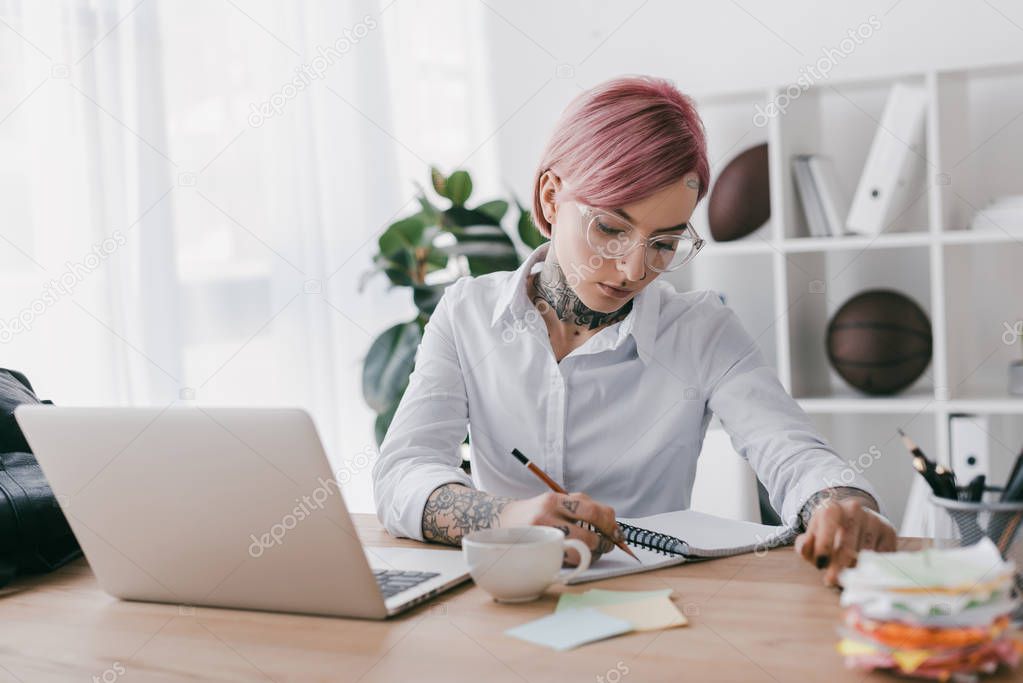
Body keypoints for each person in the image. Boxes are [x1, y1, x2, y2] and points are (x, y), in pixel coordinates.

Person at [373, 75, 896, 587]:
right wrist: (505, 518)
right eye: (610, 228)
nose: (632, 270)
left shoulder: (701, 330)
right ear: (551, 197)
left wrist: (841, 505)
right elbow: (404, 470)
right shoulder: (467, 313)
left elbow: (793, 453)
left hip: (653, 609)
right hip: (509, 600)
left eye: (664, 243)